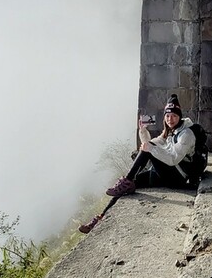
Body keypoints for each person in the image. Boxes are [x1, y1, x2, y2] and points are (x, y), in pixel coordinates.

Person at [78, 94, 197, 233]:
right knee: (126, 187)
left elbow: (173, 159)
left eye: (174, 116)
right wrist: (143, 130)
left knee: (138, 166)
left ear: (180, 117)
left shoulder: (186, 134)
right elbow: (150, 144)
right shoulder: (170, 132)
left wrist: (150, 148)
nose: (170, 119)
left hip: (179, 177)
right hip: (167, 174)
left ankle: (127, 180)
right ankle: (99, 218)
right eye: (168, 116)